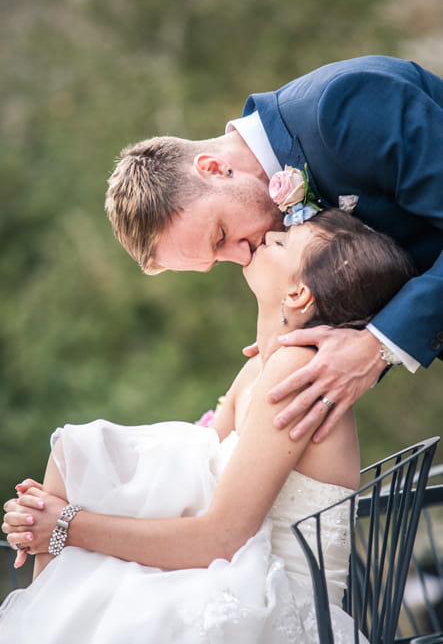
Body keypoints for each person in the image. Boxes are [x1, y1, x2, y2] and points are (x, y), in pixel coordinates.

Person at [1, 210, 415, 643]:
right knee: (79, 461)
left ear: (297, 295)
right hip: (240, 572)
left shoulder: (297, 370)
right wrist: (48, 516)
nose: (268, 233)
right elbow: (183, 476)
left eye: (281, 243)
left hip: (277, 602)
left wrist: (68, 524)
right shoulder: (262, 367)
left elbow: (220, 538)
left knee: (102, 598)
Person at [104, 54, 443, 443]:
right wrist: (300, 339)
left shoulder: (341, 107)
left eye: (221, 237)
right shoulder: (280, 227)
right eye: (219, 259)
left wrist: (377, 344)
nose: (243, 256)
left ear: (213, 168)